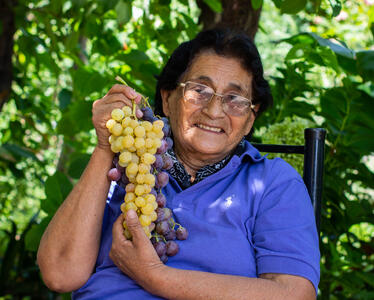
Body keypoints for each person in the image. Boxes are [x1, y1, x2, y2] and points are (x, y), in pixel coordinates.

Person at [37, 28, 320, 299]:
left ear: (250, 119)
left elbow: (293, 293)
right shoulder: (128, 164)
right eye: (200, 90)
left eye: (234, 99)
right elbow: (60, 275)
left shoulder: (273, 183)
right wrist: (104, 147)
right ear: (167, 97)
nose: (213, 111)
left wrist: (155, 277)